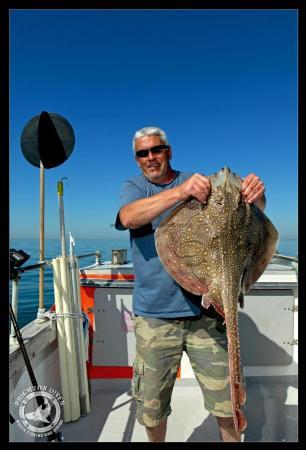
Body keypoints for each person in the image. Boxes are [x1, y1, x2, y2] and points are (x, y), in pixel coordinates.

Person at [115, 126, 266, 442]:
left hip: (206, 315)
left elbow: (243, 219)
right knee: (153, 407)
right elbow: (128, 218)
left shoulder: (200, 182)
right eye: (143, 153)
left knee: (226, 403)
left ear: (168, 151)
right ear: (136, 159)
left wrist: (255, 196)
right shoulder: (136, 187)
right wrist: (180, 193)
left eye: (157, 150)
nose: (151, 157)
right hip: (155, 318)